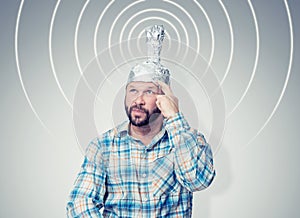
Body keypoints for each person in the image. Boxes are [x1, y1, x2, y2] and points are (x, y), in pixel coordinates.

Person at [66, 25, 215, 217]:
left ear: (165, 98)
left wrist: (175, 118)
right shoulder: (103, 146)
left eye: (149, 92)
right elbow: (80, 203)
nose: (138, 100)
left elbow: (197, 181)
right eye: (133, 90)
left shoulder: (190, 140)